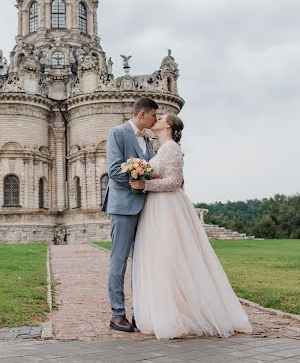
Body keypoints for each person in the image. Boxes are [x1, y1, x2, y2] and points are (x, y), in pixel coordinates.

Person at [130, 114, 253, 339]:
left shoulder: (171, 148)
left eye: (160, 118)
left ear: (168, 125)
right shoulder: (164, 147)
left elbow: (175, 182)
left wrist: (144, 184)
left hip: (167, 207)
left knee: (171, 255)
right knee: (162, 257)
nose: (154, 120)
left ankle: (180, 312)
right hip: (158, 206)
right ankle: (169, 309)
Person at [103, 97, 158, 332]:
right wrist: (137, 183)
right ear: (143, 114)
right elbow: (114, 170)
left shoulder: (147, 139)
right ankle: (117, 314)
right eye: (154, 115)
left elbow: (151, 168)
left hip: (145, 207)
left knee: (142, 262)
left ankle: (140, 311)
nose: (156, 120)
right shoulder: (118, 133)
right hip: (123, 207)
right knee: (119, 261)